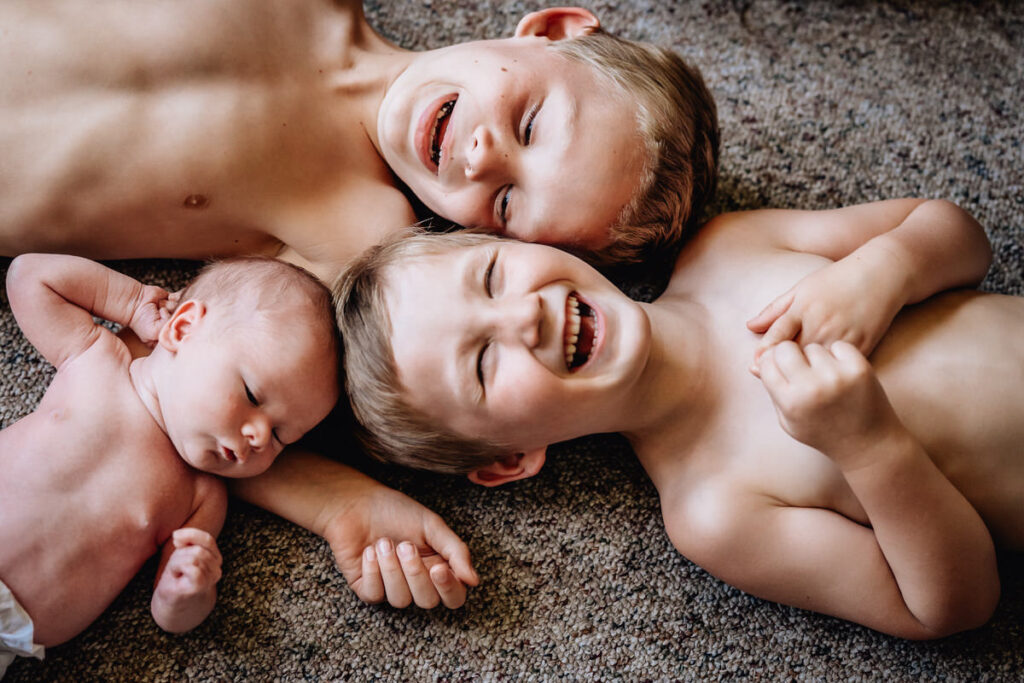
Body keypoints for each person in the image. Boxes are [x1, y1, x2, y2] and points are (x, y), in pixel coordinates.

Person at [1, 1, 718, 606]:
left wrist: (342, 503)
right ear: (553, 30)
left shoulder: (358, 242)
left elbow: (203, 398)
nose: (480, 156)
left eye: (503, 205)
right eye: (531, 122)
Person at [336, 198, 1019, 639]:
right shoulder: (715, 510)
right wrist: (872, 448)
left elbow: (961, 235)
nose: (522, 314)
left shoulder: (728, 247)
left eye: (490, 276)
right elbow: (951, 606)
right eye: (483, 364)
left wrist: (887, 268)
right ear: (511, 455)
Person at [0, 255, 340, 674]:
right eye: (252, 395)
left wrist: (185, 593)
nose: (258, 437)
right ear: (182, 328)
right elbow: (29, 277)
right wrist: (134, 303)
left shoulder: (202, 497)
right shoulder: (97, 360)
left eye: (281, 436)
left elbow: (170, 618)